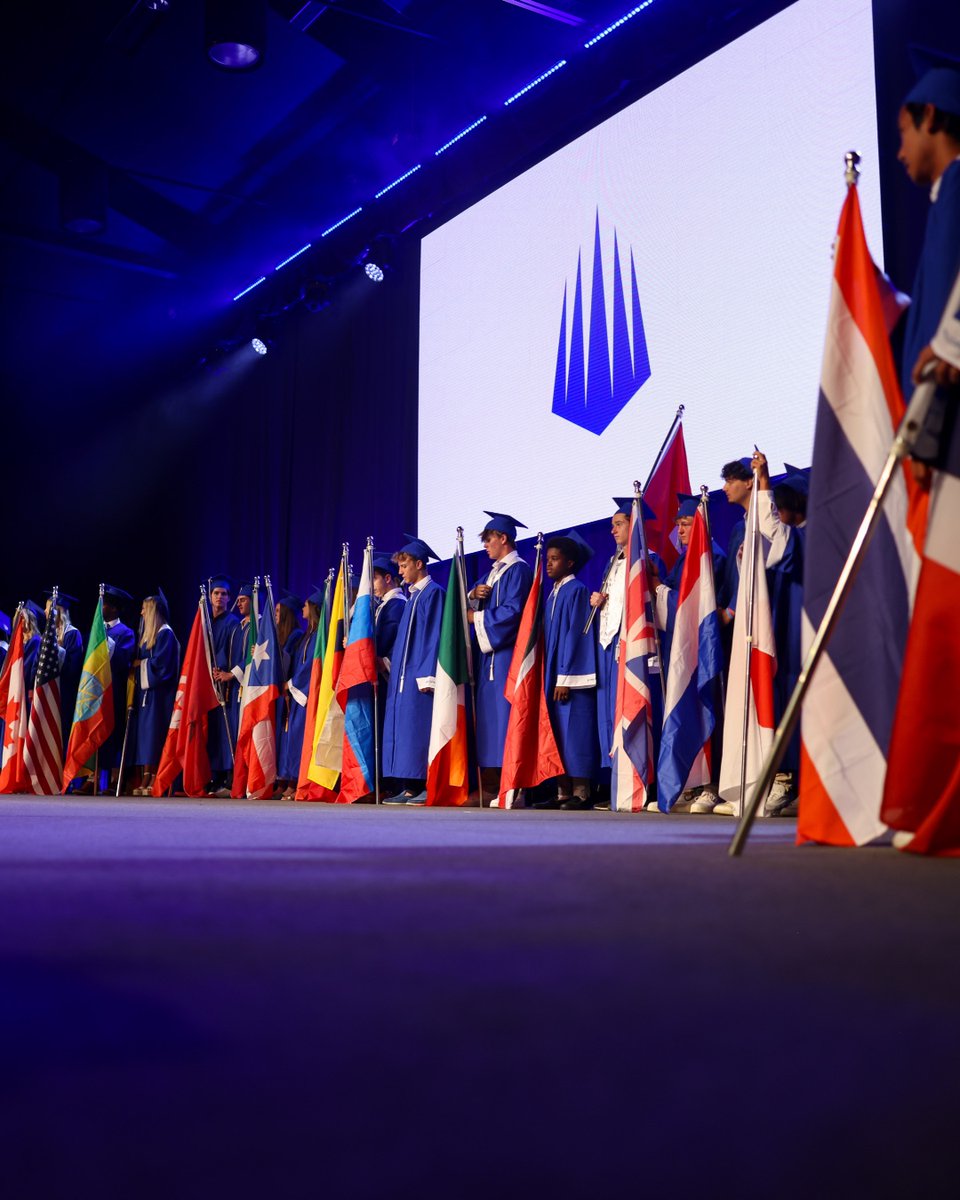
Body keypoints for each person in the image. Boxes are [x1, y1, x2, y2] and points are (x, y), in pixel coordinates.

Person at [467, 512, 533, 799]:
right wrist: (473, 593)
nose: (485, 546)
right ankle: (491, 784)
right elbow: (472, 600)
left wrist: (475, 618)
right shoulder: (493, 572)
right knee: (489, 722)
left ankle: (512, 785)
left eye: (488, 540)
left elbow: (513, 613)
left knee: (506, 718)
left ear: (503, 538)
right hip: (488, 659)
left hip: (506, 656)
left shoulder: (518, 570)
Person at [535, 529, 598, 811]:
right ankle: (561, 791)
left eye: (555, 559)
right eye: (548, 559)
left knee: (575, 732)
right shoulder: (553, 595)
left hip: (569, 679)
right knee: (557, 732)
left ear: (570, 563)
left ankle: (581, 792)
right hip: (553, 675)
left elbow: (577, 636)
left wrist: (565, 678)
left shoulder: (577, 590)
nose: (548, 564)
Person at [382, 535, 444, 805]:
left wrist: (428, 674)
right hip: (404, 676)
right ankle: (408, 786)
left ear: (419, 564)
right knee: (405, 729)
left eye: (404, 565)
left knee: (420, 730)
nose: (400, 571)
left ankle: (424, 784)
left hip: (421, 677)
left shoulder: (434, 593)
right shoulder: (413, 597)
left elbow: (433, 637)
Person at [131, 593, 180, 796]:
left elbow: (162, 667)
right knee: (145, 736)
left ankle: (156, 776)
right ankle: (147, 774)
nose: (141, 612)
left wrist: (140, 665)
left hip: (160, 696)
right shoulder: (149, 635)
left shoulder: (165, 634)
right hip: (147, 694)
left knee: (155, 734)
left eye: (144, 608)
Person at [279, 591, 320, 801]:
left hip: (304, 693)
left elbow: (311, 665)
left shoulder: (317, 635)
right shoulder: (308, 634)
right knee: (293, 736)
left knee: (299, 736)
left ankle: (298, 781)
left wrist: (292, 683)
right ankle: (292, 780)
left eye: (305, 605)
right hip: (296, 693)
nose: (302, 609)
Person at [373, 555, 406, 793]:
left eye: (374, 578)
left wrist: (379, 659)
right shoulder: (383, 605)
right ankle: (382, 782)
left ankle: (393, 784)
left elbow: (394, 641)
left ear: (387, 578)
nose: (372, 584)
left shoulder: (397, 604)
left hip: (389, 675)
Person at [100, 584, 136, 791]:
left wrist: (108, 642)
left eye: (104, 605)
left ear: (113, 608)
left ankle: (114, 779)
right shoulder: (97, 630)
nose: (101, 609)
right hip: (96, 689)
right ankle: (93, 778)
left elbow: (123, 661)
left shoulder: (126, 633)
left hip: (115, 689)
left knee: (113, 733)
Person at [207, 574, 240, 796]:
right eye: (216, 593)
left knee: (226, 728)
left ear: (229, 599)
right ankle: (213, 775)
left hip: (224, 683)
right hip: (208, 682)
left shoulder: (233, 623)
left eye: (224, 594)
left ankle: (228, 775)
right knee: (211, 731)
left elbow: (234, 652)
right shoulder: (205, 621)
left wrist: (226, 672)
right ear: (210, 597)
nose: (220, 597)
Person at [274, 594, 304, 799]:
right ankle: (282, 779)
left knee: (290, 737)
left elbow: (288, 663)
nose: (275, 615)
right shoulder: (281, 636)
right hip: (284, 691)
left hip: (293, 691)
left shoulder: (296, 636)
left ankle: (290, 780)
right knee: (283, 737)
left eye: (278, 612)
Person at [43, 590, 84, 737]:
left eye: (47, 607)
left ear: (57, 611)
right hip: (47, 694)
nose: (44, 611)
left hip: (64, 696)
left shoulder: (72, 634)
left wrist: (56, 650)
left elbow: (73, 669)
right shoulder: (47, 635)